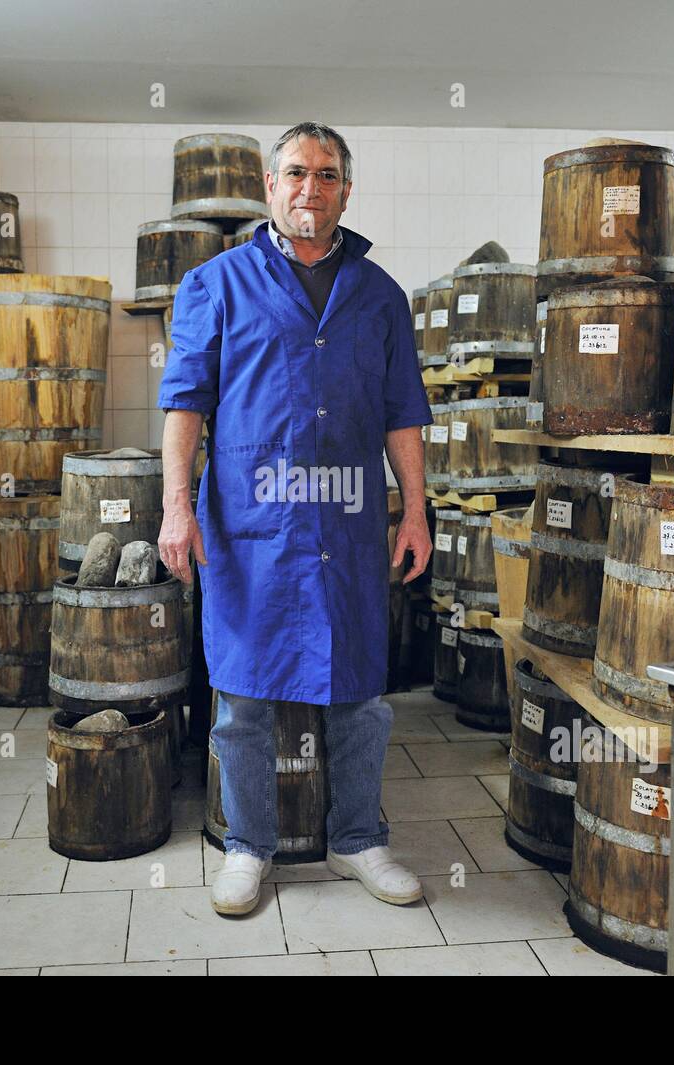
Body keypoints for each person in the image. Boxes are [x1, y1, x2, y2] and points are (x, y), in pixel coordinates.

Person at [156, 122, 434, 916]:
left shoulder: (380, 295)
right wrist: (178, 506)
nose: (309, 188)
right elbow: (183, 405)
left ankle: (357, 838)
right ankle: (248, 846)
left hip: (346, 529)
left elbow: (402, 413)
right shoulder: (215, 284)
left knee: (360, 695)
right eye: (294, 174)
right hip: (249, 530)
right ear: (269, 188)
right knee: (242, 699)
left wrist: (415, 509)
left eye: (326, 174)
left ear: (347, 189)